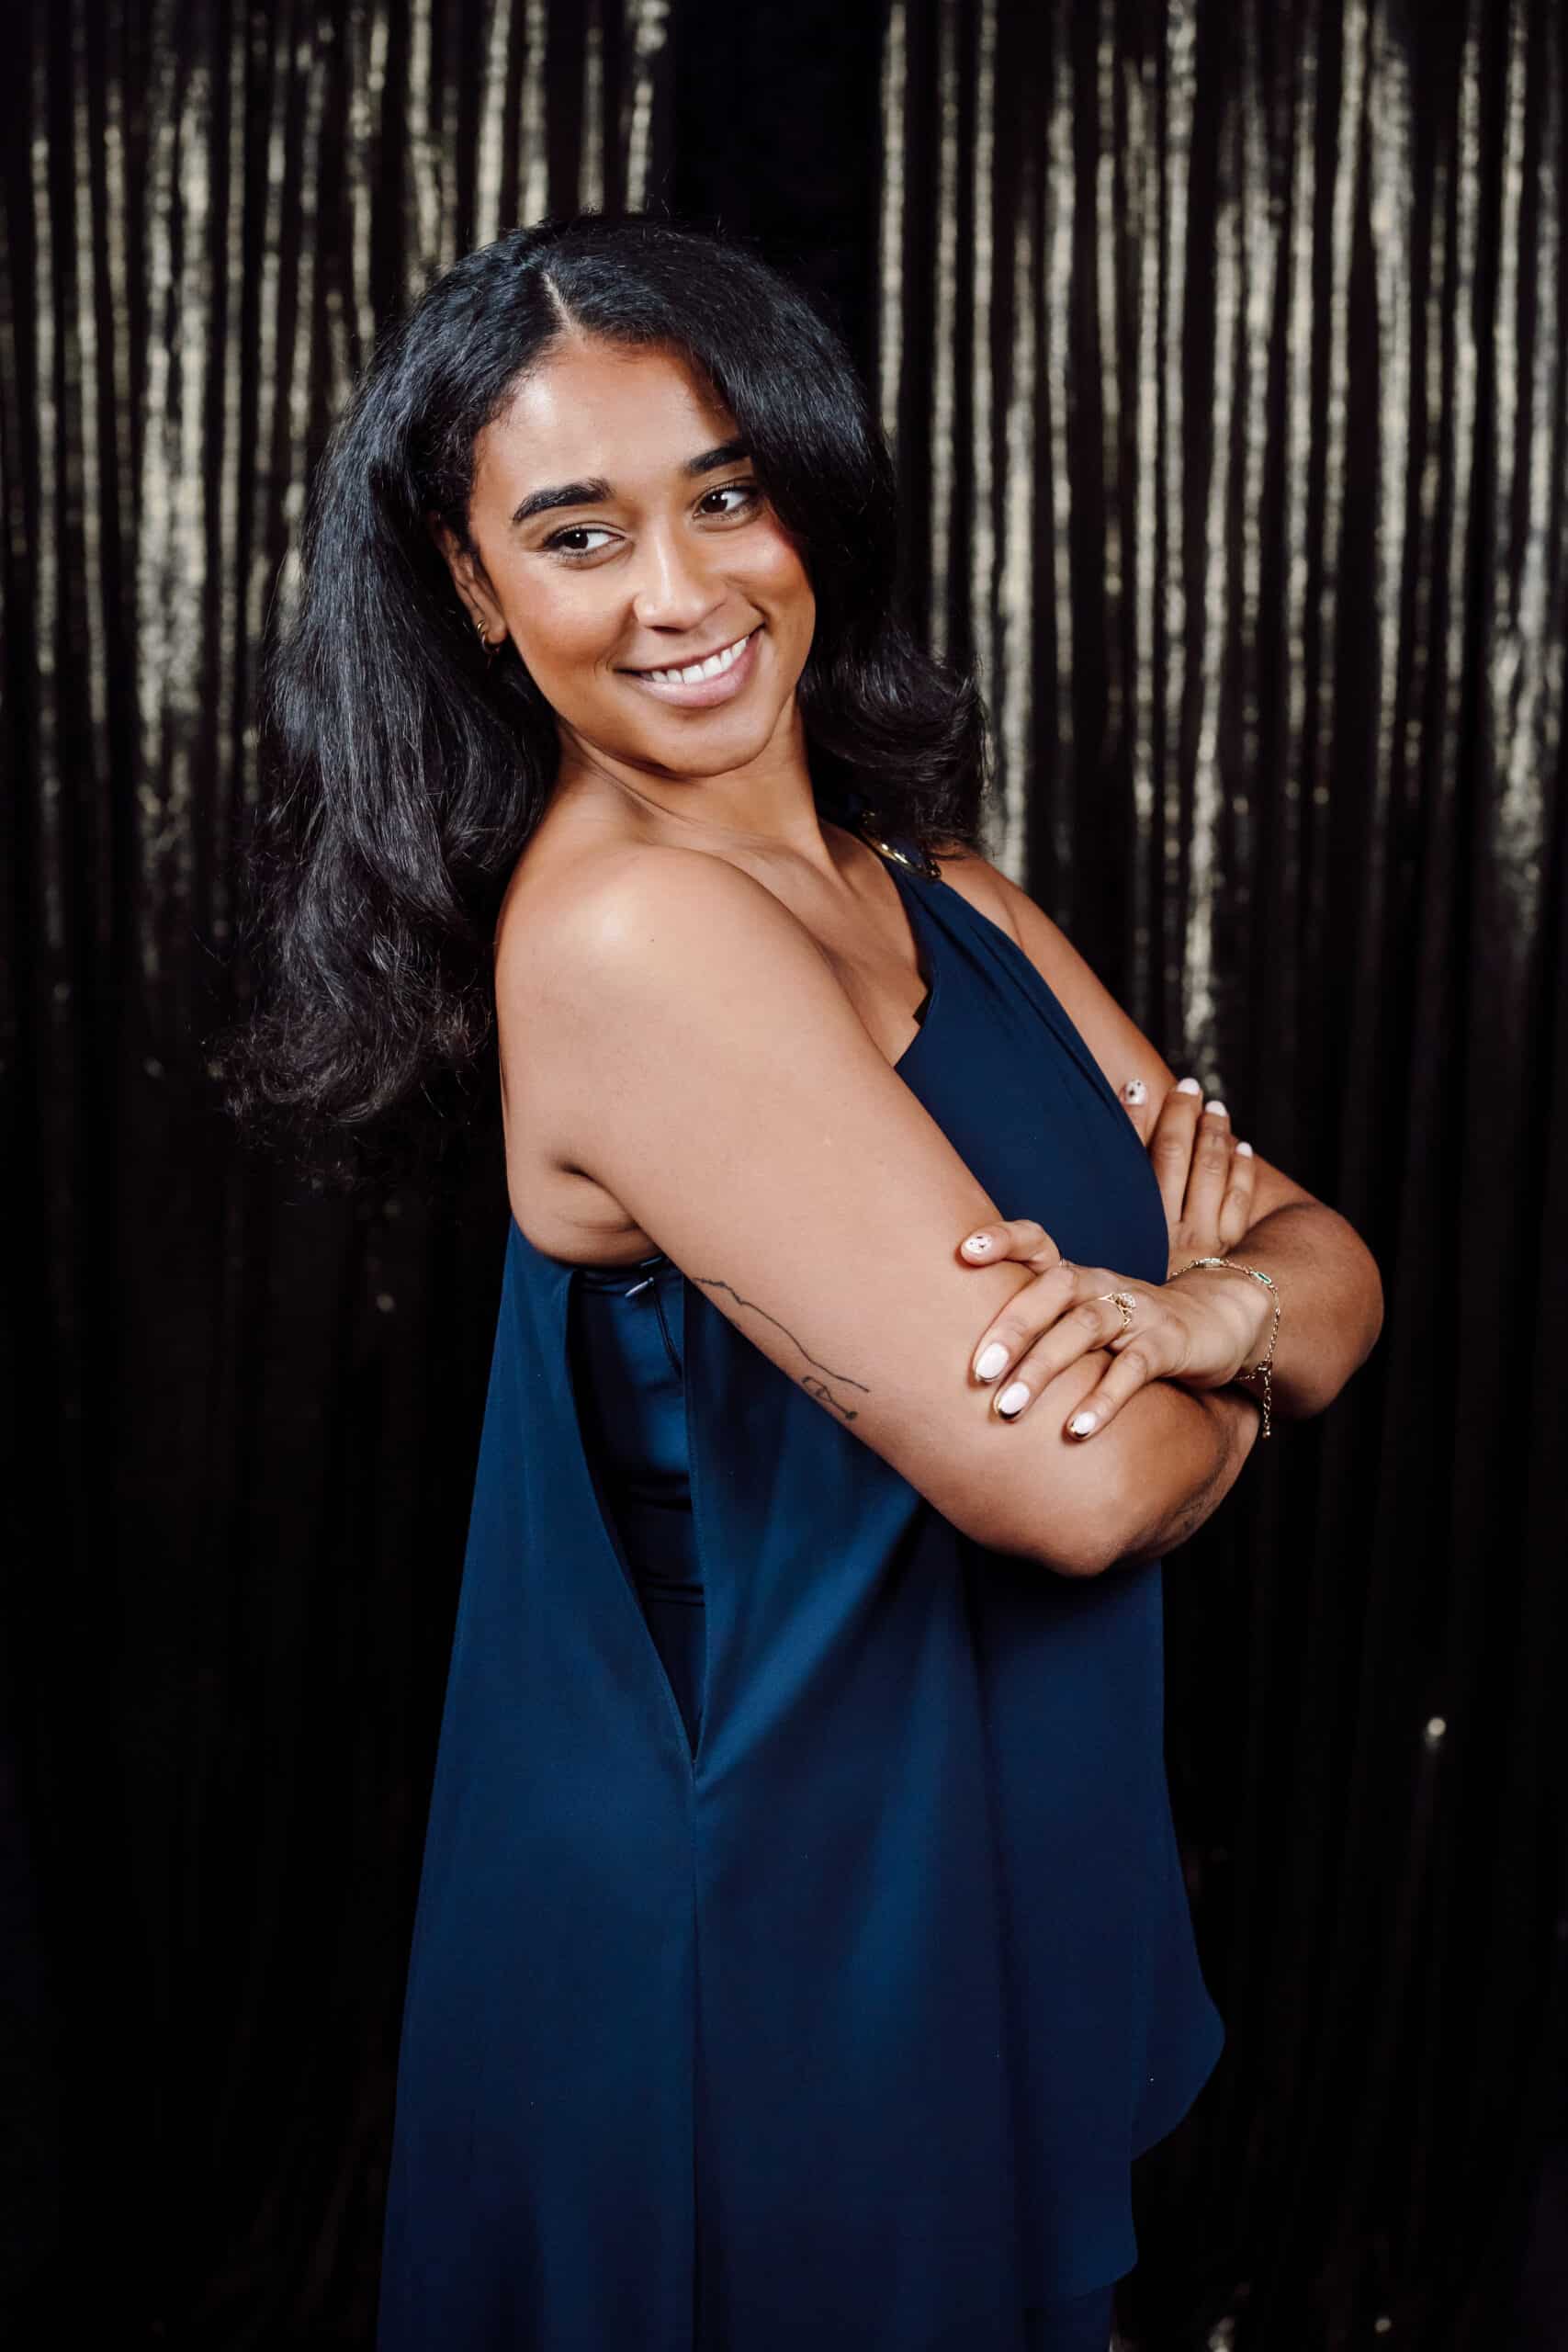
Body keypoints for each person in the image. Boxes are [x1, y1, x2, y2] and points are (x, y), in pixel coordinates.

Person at [224, 211, 1382, 2352]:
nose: (681, 592)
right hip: (765, 1944)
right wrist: (1225, 1350)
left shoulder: (936, 887)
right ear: (475, 593)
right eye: (575, 532)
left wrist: (1212, 1320)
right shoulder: (629, 938)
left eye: (725, 493)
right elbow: (1082, 1492)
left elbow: (1330, 1263)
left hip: (969, 1874)